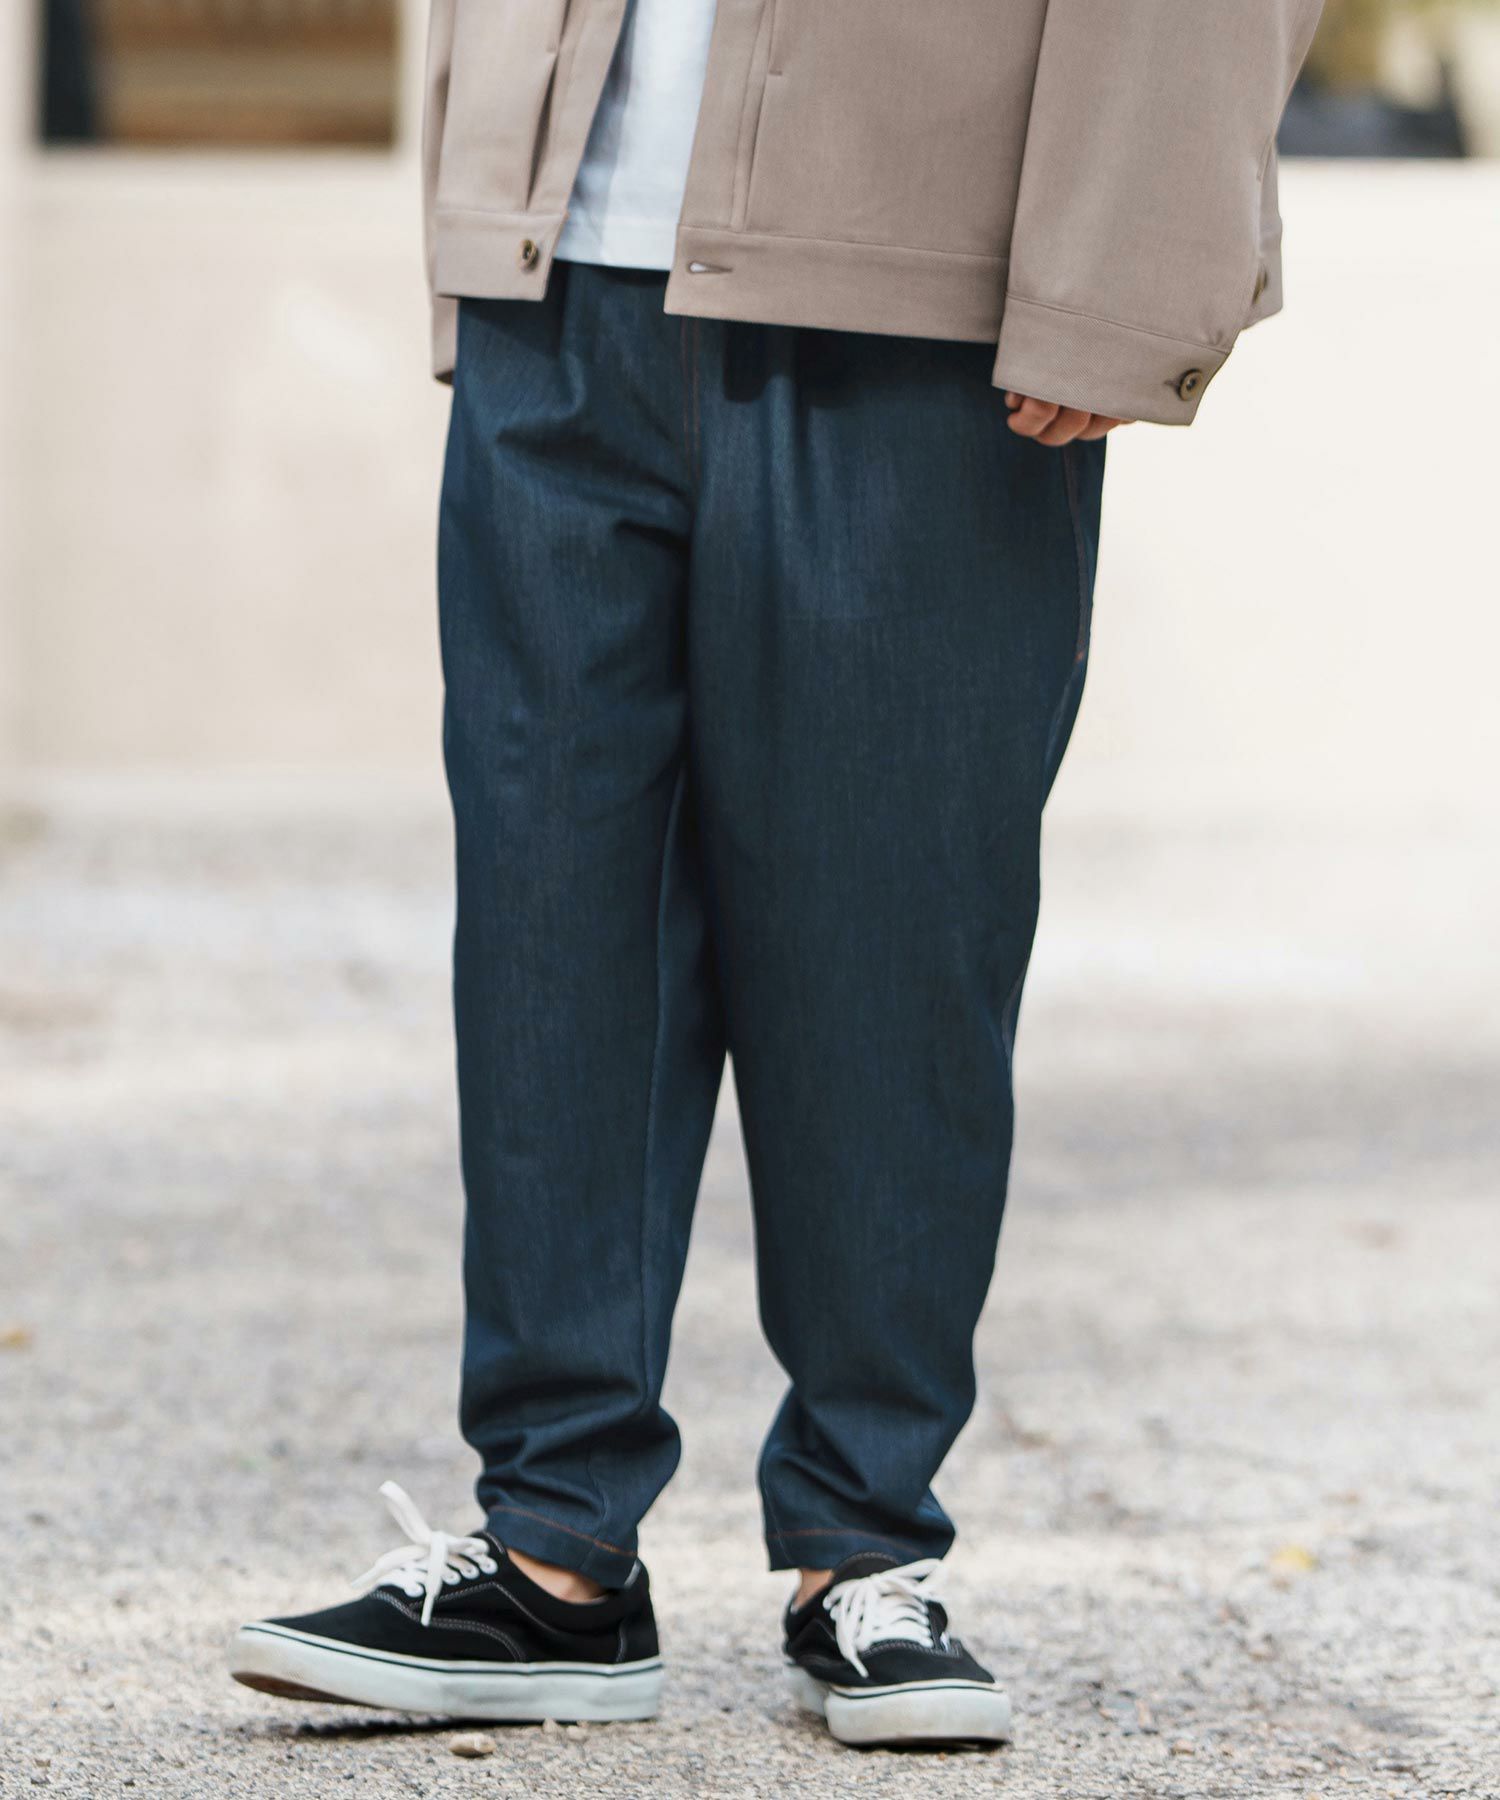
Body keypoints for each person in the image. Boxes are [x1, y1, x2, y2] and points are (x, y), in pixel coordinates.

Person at [230, 0, 1322, 1750]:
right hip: (561, 285)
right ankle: (553, 1554)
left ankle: (867, 1545)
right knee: (549, 926)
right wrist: (476, 211)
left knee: (889, 931)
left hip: (916, 295)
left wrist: (1124, 273)